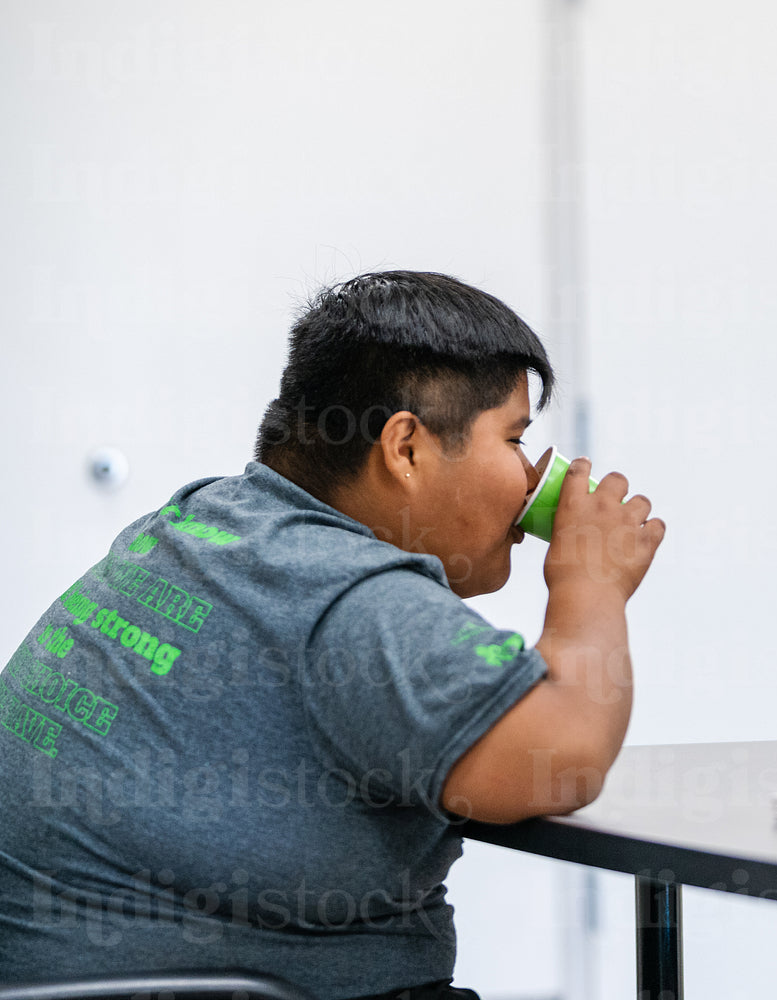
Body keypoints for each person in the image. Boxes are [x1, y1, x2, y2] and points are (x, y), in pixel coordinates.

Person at [0, 271, 665, 999]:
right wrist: (590, 579)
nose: (535, 477)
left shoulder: (196, 524)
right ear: (405, 447)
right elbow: (561, 760)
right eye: (514, 438)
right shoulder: (348, 598)